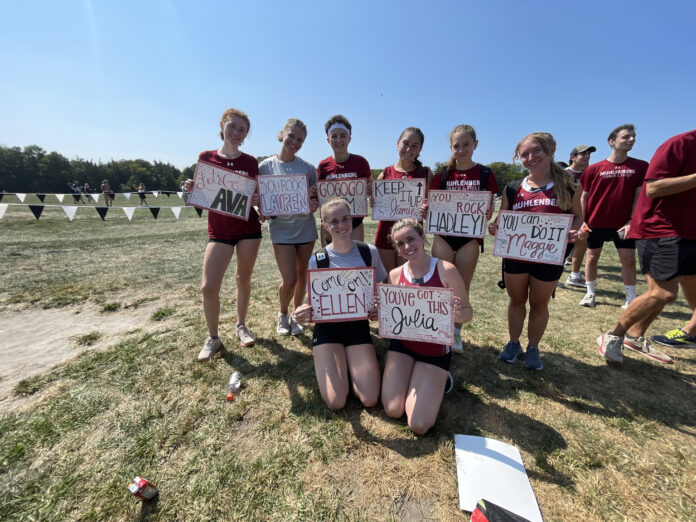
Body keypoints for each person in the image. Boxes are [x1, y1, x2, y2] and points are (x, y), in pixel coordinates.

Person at [598, 129, 696, 365]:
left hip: (689, 230)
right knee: (663, 292)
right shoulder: (680, 144)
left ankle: (635, 336)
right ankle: (613, 336)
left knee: (670, 292)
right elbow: (653, 188)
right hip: (661, 228)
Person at [489, 132, 584, 370]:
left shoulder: (569, 185)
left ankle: (533, 347)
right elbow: (502, 218)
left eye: (536, 151)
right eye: (524, 154)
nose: (531, 157)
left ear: (551, 150)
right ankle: (513, 343)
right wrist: (495, 227)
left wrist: (576, 231)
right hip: (516, 255)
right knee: (516, 300)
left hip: (549, 256)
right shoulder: (513, 188)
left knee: (539, 304)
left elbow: (579, 217)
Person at [380, 218, 472, 435]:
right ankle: (410, 375)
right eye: (400, 244)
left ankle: (440, 378)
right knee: (393, 410)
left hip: (434, 351)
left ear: (423, 237)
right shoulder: (394, 275)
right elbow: (391, 315)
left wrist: (458, 314)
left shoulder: (446, 270)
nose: (407, 247)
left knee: (419, 425)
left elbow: (468, 312)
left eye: (411, 239)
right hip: (402, 346)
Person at [185, 107, 263, 361]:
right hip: (219, 231)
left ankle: (241, 326)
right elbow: (201, 198)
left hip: (248, 229)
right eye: (233, 126)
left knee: (243, 279)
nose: (236, 132)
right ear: (222, 125)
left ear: (245, 136)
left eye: (242, 130)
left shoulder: (251, 162)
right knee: (208, 287)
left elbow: (259, 199)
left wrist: (258, 199)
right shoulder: (206, 157)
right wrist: (191, 189)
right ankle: (213, 337)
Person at [294, 198, 387, 410]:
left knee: (370, 398)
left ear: (352, 219)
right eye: (334, 221)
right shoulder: (318, 259)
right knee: (336, 402)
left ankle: (349, 364)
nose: (341, 225)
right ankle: (337, 362)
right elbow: (311, 302)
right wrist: (300, 312)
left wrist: (379, 307)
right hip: (327, 330)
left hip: (357, 328)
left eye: (345, 219)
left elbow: (382, 286)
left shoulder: (368, 252)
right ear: (325, 225)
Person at [426, 124, 498, 353]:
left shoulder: (486, 173)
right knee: (440, 285)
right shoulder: (442, 175)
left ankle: (455, 331)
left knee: (461, 287)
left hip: (469, 239)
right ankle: (438, 328)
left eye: (466, 144)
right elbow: (431, 204)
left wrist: (488, 212)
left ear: (475, 145)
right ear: (451, 147)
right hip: (444, 236)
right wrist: (426, 208)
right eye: (456, 146)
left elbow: (490, 205)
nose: (461, 150)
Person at [259, 118, 319, 337]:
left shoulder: (307, 168)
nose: (294, 142)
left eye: (300, 139)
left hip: (305, 229)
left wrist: (315, 202)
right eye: (291, 136)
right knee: (290, 278)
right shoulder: (264, 166)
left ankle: (296, 314)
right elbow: (258, 198)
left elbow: (318, 195)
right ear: (281, 134)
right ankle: (282, 314)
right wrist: (261, 209)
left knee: (302, 275)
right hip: (280, 230)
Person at [579, 125, 647, 309]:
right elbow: (584, 196)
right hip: (596, 222)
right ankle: (590, 294)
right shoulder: (593, 169)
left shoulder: (640, 166)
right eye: (626, 137)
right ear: (612, 142)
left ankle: (631, 299)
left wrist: (632, 221)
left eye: (633, 137)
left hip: (623, 224)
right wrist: (583, 220)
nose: (631, 140)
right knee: (592, 257)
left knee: (628, 259)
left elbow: (639, 196)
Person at [373, 127, 431, 274]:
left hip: (411, 236)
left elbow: (432, 206)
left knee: (408, 279)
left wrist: (427, 210)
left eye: (414, 146)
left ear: (420, 149)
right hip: (385, 233)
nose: (409, 149)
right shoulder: (385, 173)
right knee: (387, 279)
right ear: (398, 143)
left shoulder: (425, 173)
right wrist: (373, 203)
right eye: (405, 143)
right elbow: (376, 203)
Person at [317, 115, 372, 246]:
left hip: (354, 222)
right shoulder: (323, 165)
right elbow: (319, 194)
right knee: (330, 263)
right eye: (334, 136)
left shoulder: (361, 162)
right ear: (328, 140)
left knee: (355, 260)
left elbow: (372, 186)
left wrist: (370, 190)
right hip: (330, 223)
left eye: (343, 135)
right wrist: (314, 193)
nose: (339, 140)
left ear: (349, 138)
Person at [563, 144, 596, 288]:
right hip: (564, 216)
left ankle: (574, 275)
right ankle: (553, 276)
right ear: (573, 157)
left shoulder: (589, 173)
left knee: (582, 244)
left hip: (583, 216)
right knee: (561, 247)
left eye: (589, 155)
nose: (587, 157)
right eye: (583, 154)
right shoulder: (562, 174)